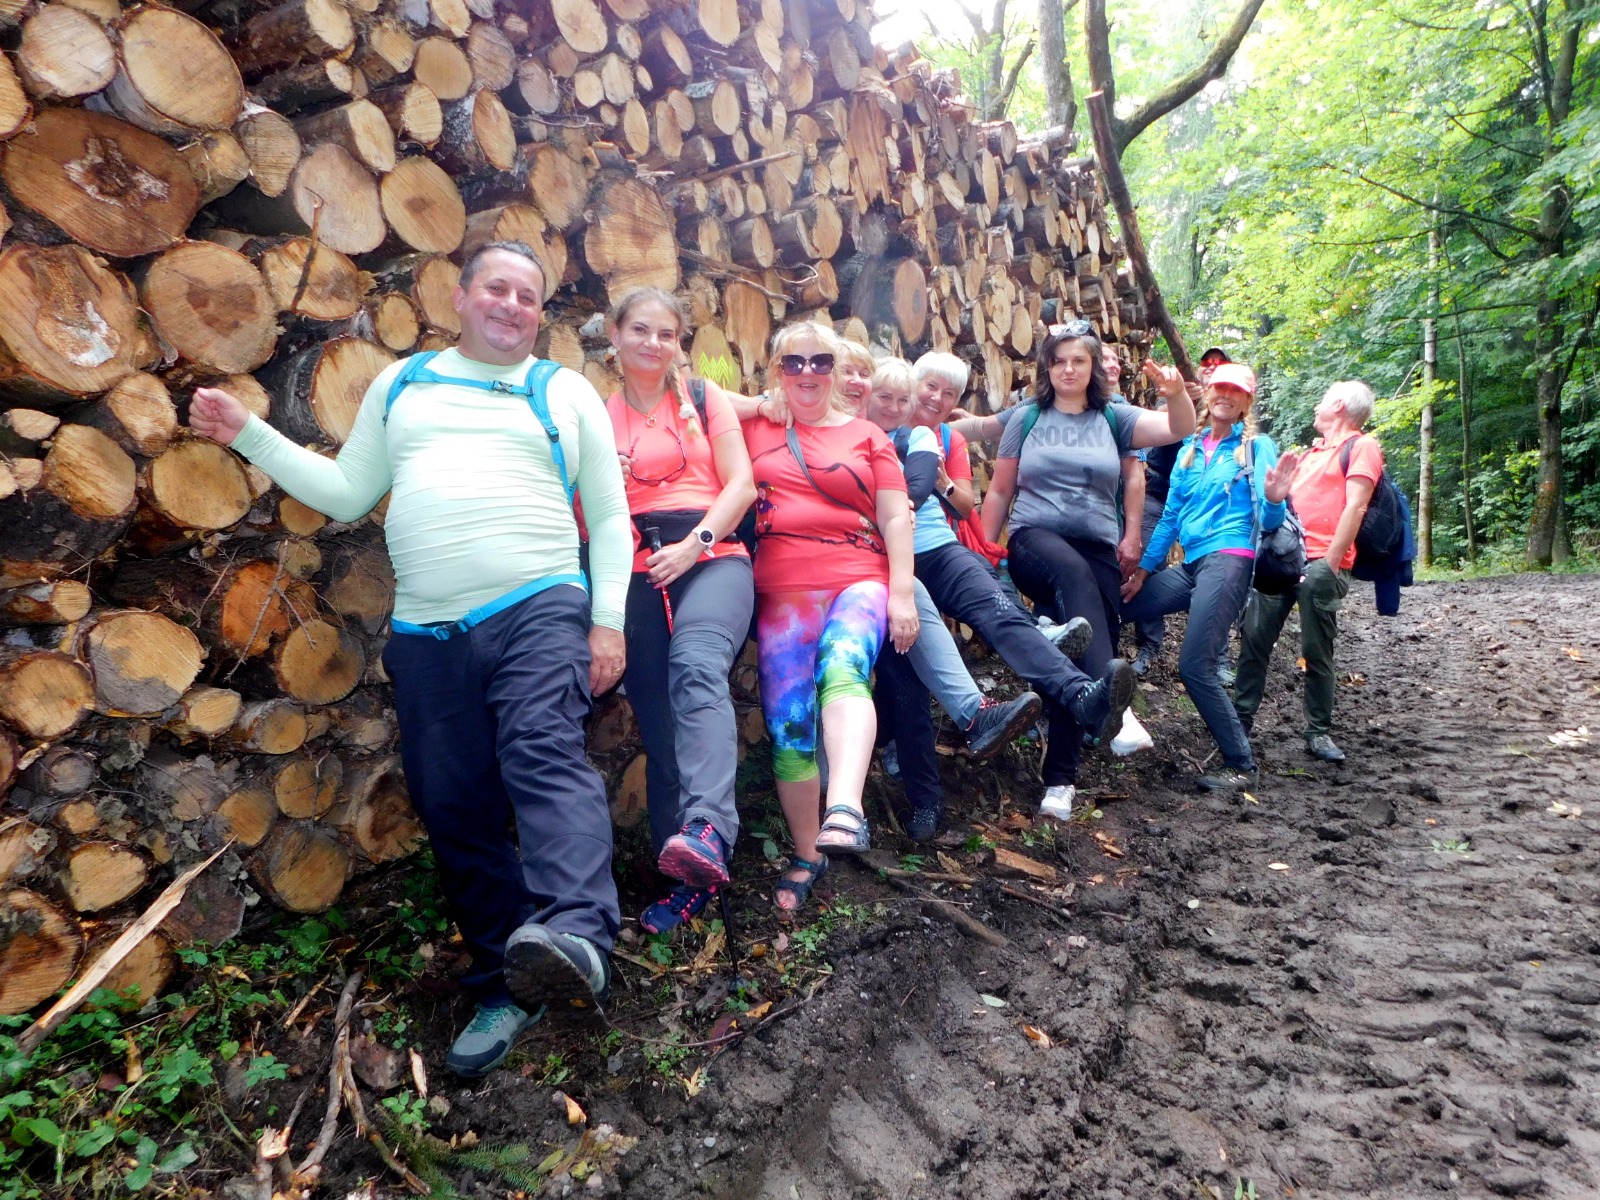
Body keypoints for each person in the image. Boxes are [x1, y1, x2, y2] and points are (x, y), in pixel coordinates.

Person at [188, 242, 630, 1078]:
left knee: (541, 750)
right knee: (450, 802)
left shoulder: (564, 390)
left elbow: (608, 518)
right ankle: (507, 982)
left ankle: (578, 933)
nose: (511, 304)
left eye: (528, 295)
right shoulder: (404, 383)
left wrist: (606, 622)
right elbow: (349, 492)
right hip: (428, 632)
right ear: (459, 297)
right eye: (496, 287)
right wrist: (249, 432)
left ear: (541, 312)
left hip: (539, 602)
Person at [981, 321, 1196, 818]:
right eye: (1058, 361)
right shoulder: (1028, 417)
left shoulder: (1114, 417)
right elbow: (1000, 490)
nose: (1068, 369)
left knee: (1075, 656)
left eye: (1078, 360)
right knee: (1074, 581)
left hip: (1098, 550)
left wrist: (1177, 395)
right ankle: (1121, 717)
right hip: (1035, 543)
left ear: (1093, 366)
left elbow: (1178, 428)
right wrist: (984, 554)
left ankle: (1060, 785)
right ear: (1047, 368)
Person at [743, 322, 918, 913]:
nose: (807, 373)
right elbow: (695, 397)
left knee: (844, 664)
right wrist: (760, 403)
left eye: (821, 361)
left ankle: (845, 807)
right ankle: (806, 852)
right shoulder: (757, 427)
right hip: (783, 590)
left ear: (838, 370)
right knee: (788, 721)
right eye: (793, 363)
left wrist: (901, 593)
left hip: (858, 577)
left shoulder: (867, 435)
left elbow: (894, 516)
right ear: (777, 370)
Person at [603, 288, 756, 935]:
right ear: (614, 335)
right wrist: (604, 480)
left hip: (714, 555)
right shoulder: (597, 415)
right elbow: (583, 516)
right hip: (635, 570)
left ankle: (709, 829)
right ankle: (686, 879)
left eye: (666, 333)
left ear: (679, 343)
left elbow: (742, 484)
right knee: (661, 724)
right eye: (640, 330)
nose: (653, 343)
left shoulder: (702, 397)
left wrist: (697, 544)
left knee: (695, 663)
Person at [861, 358, 1044, 839]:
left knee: (908, 680)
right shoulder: (844, 436)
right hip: (860, 573)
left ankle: (926, 797)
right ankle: (900, 779)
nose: (894, 407)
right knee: (899, 687)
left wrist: (894, 510)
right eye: (884, 397)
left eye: (902, 400)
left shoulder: (916, 438)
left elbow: (927, 490)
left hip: (905, 567)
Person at [1121, 363, 1293, 791]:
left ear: (1247, 402)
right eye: (1220, 388)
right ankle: (1104, 714)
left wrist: (1275, 499)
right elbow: (1170, 518)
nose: (1226, 395)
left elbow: (1270, 519)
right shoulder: (1190, 448)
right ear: (1208, 393)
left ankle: (1241, 764)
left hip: (1230, 558)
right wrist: (1142, 571)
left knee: (1195, 666)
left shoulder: (1255, 447)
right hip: (1194, 564)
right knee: (1118, 606)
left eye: (1236, 391)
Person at [1234, 380, 1383, 764]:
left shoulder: (1361, 447)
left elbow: (1356, 506)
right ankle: (1238, 723)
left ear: (1339, 405)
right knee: (1254, 640)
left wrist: (1330, 564)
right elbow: (1282, 508)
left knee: (1316, 650)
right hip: (1283, 560)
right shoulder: (1311, 454)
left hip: (1322, 564)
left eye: (1323, 401)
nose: (1316, 407)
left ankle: (1318, 732)